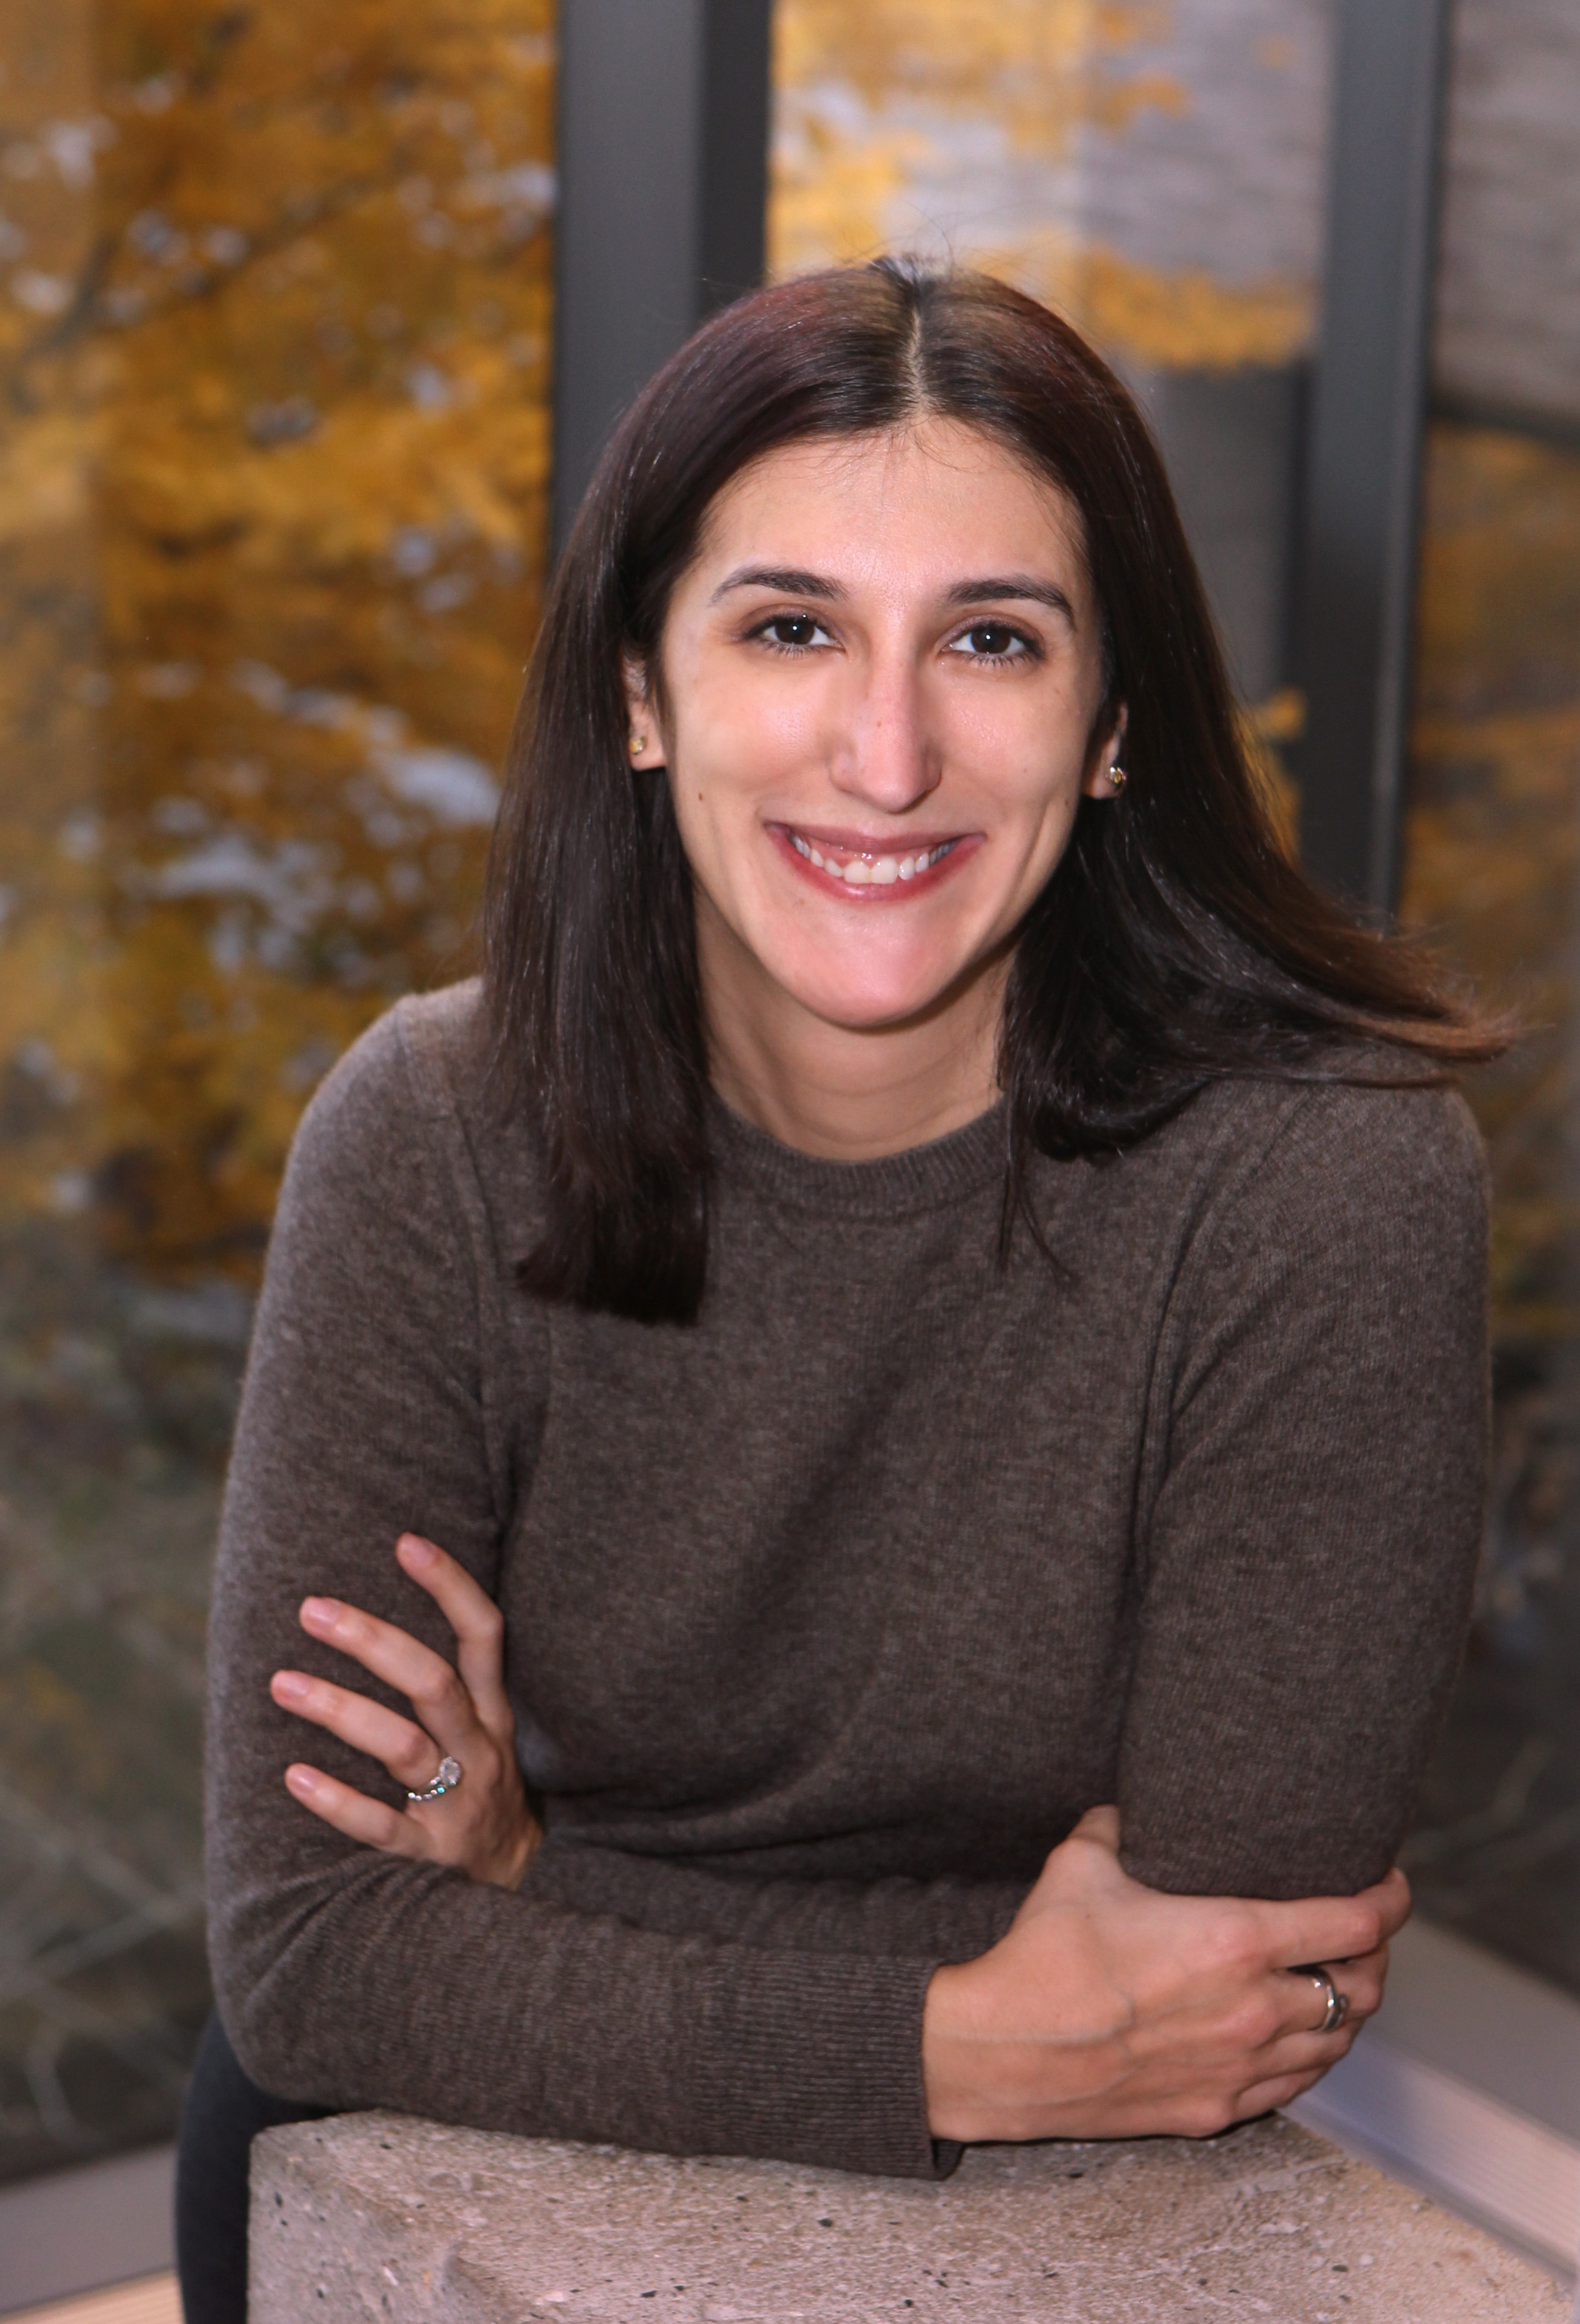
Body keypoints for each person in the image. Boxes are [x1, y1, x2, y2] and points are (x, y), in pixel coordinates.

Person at [176, 258, 1496, 2322]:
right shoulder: (433, 1128)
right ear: (642, 688)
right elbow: (310, 1956)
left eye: (991, 638)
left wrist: (535, 1894)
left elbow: (1225, 1994)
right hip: (397, 2181)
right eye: (791, 626)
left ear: (1117, 718)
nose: (886, 755)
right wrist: (957, 2032)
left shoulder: (1321, 1186)